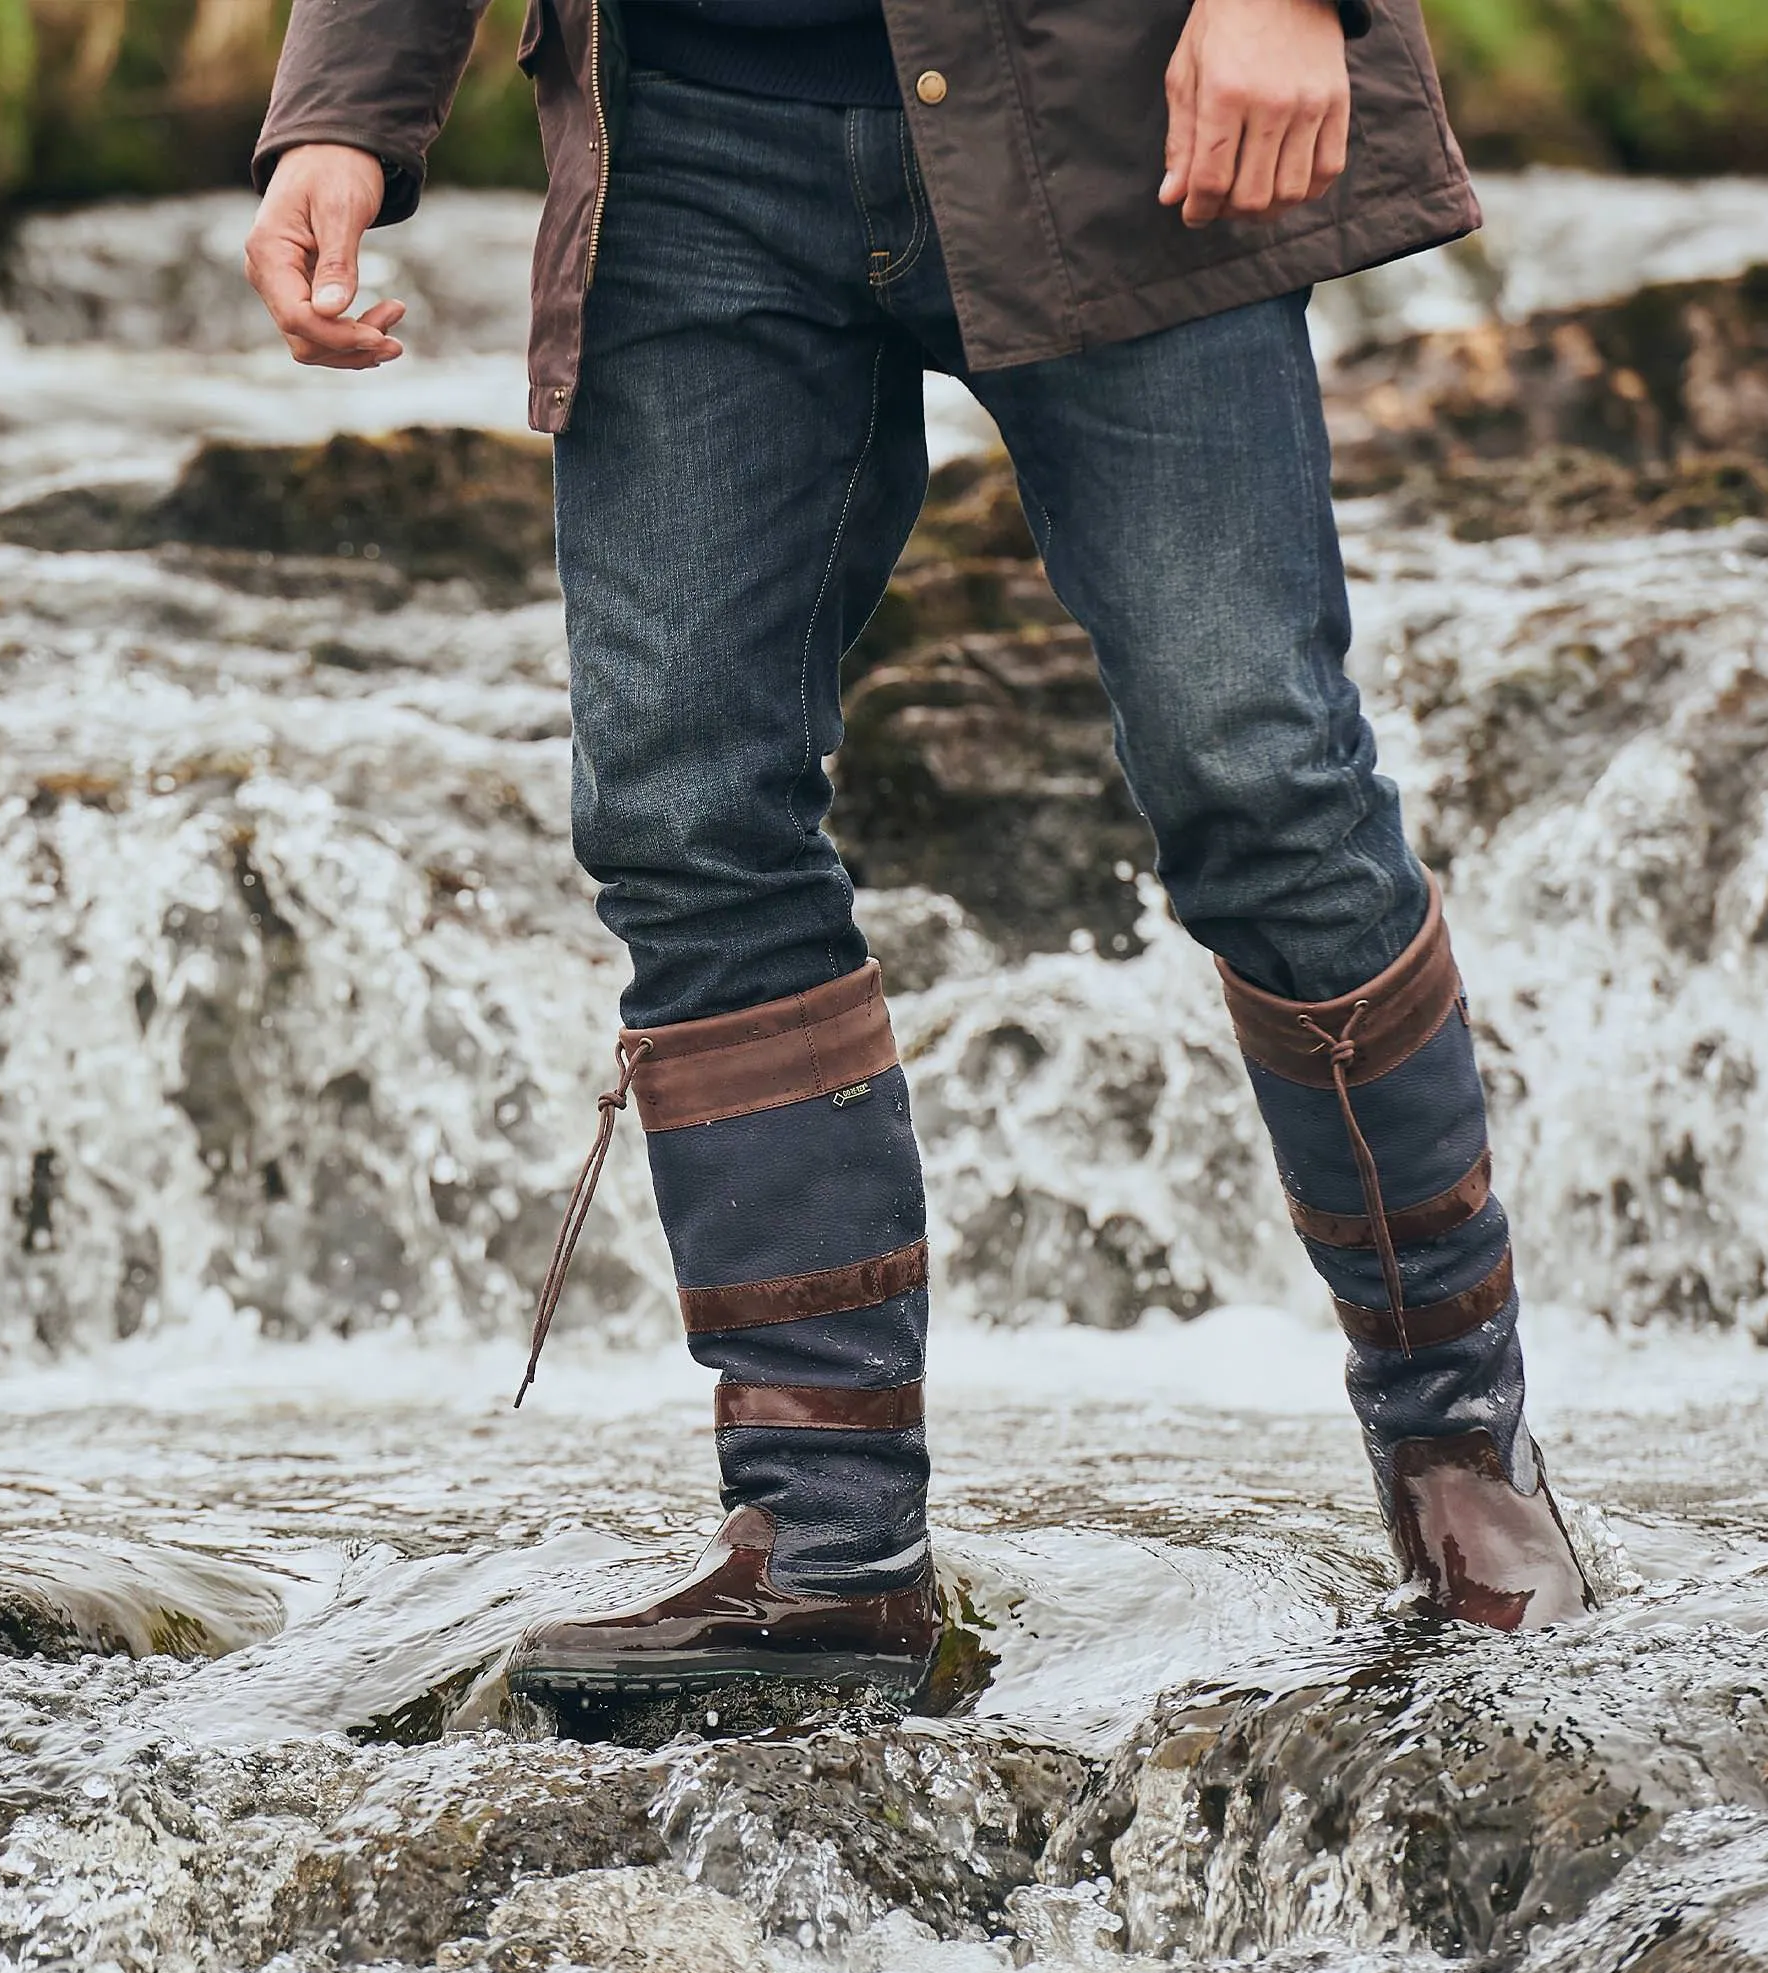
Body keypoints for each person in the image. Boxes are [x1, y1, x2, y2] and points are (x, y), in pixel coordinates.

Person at [242, 0, 1594, 1703]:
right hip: (691, 136)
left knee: (1260, 781)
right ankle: (825, 1546)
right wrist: (342, 115)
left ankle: (1461, 1459)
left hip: (1111, 99)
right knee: (682, 813)